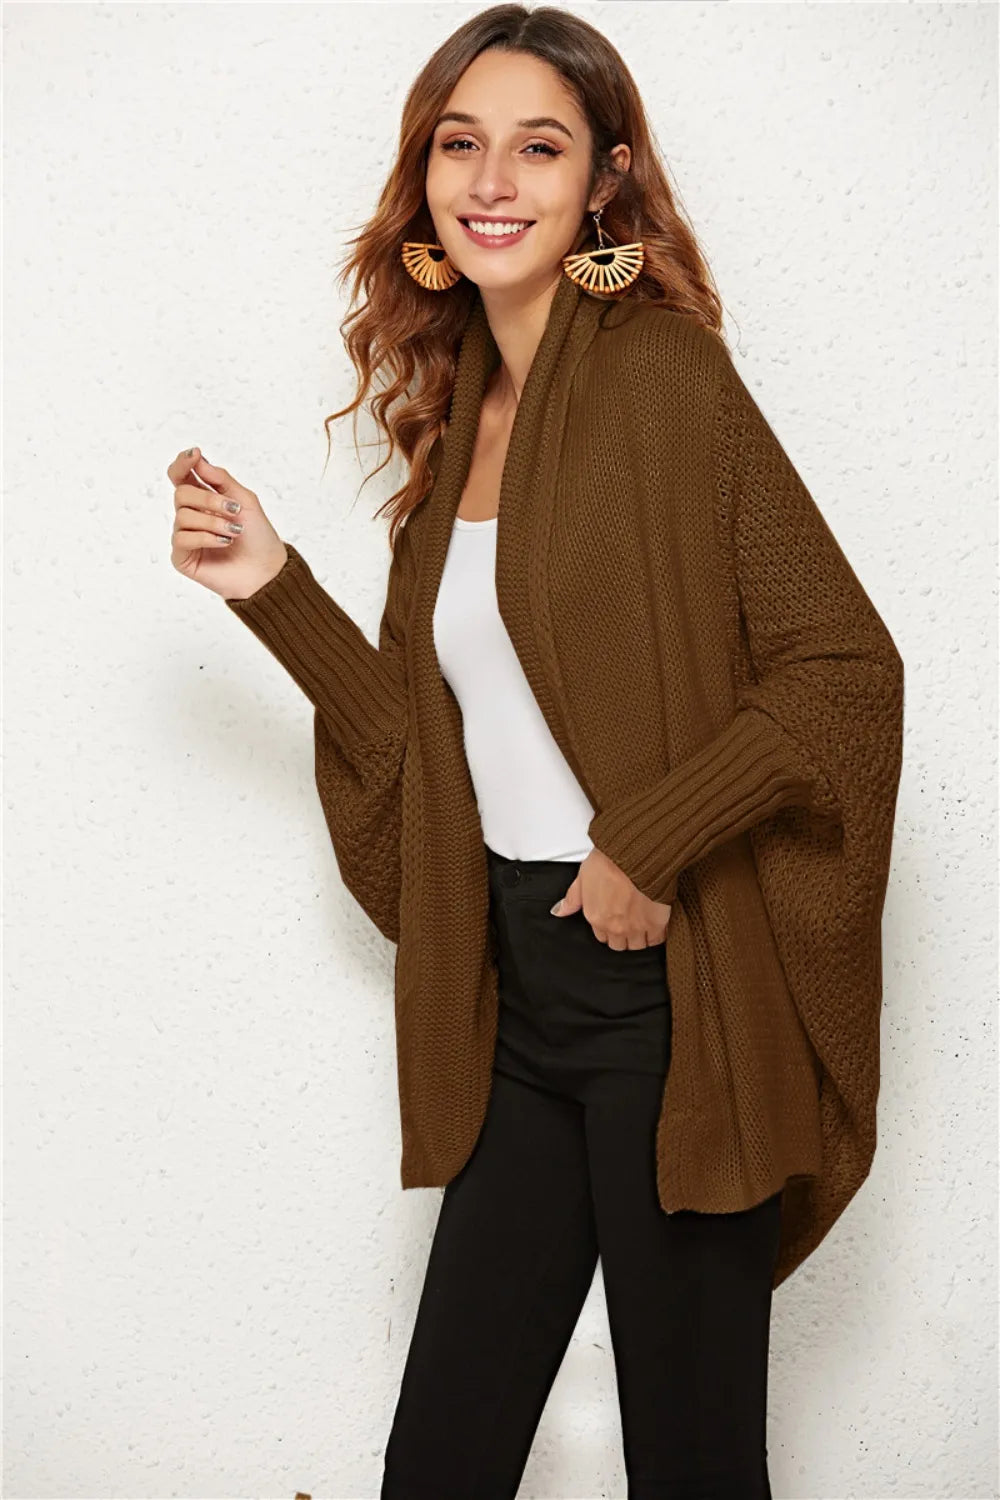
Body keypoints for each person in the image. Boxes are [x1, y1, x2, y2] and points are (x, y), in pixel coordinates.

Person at [167, 7, 905, 1497]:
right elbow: (425, 756)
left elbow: (845, 669)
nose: (492, 181)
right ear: (426, 177)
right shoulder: (464, 425)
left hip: (670, 1002)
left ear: (605, 182)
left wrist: (652, 840)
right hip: (517, 996)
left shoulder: (664, 379)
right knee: (444, 1457)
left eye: (541, 147)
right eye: (462, 144)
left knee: (693, 1463)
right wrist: (271, 587)